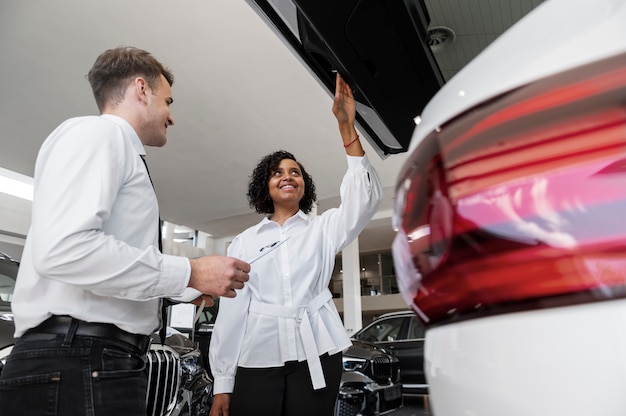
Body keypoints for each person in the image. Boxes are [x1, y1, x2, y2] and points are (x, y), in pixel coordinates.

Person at [0, 46, 250, 416]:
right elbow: (66, 250)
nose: (172, 116)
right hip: (78, 361)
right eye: (168, 101)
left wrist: (181, 288)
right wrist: (192, 271)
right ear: (141, 89)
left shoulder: (111, 145)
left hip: (89, 360)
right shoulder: (101, 134)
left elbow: (103, 259)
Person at [208, 73, 383, 416]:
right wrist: (223, 383)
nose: (287, 176)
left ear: (304, 185)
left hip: (318, 351)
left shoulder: (323, 228)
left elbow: (364, 199)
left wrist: (347, 129)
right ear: (265, 187)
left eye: (295, 172)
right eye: (277, 173)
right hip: (258, 354)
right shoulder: (244, 242)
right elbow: (232, 313)